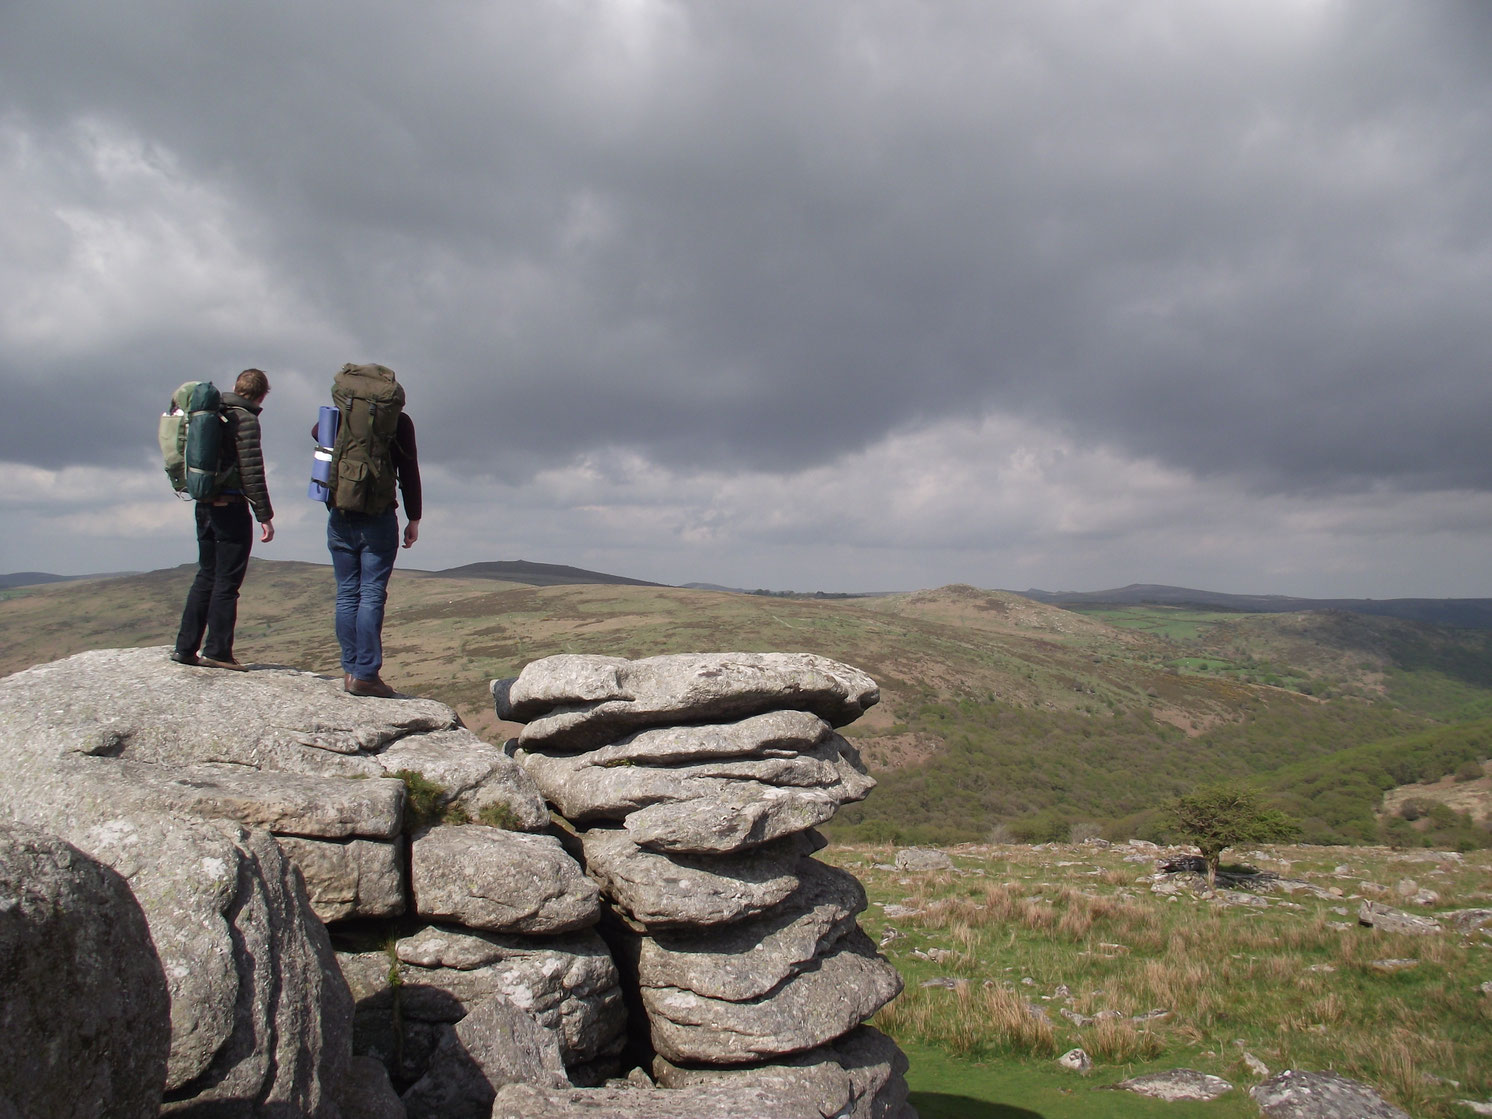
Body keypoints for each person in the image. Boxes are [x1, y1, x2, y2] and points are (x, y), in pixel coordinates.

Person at [317, 368, 421, 698]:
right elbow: (409, 469)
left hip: (340, 512)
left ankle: (350, 669)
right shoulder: (399, 423)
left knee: (347, 592)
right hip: (379, 516)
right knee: (372, 592)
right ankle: (366, 674)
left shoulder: (339, 415)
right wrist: (414, 517)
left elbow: (315, 433)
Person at [171, 368, 275, 670]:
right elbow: (252, 469)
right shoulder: (246, 420)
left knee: (205, 574)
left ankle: (185, 648)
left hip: (203, 504)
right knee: (227, 582)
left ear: (235, 387)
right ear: (262, 395)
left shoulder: (211, 414)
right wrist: (264, 515)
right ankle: (217, 651)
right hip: (230, 507)